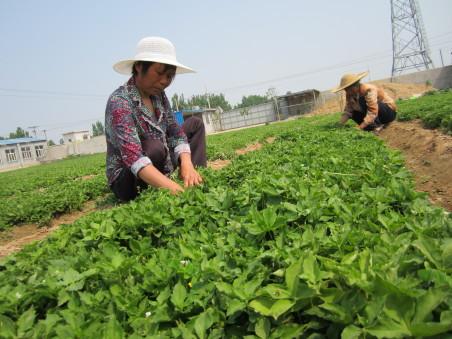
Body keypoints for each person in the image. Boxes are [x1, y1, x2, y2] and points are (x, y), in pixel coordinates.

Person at [105, 37, 207, 201]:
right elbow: (134, 158)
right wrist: (176, 190)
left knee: (195, 125)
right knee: (154, 146)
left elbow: (176, 133)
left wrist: (187, 164)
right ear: (139, 67)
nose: (164, 81)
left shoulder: (159, 96)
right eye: (160, 73)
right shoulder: (120, 102)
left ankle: (193, 178)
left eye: (169, 76)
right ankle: (171, 187)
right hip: (127, 178)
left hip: (161, 160)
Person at [331, 72, 397, 132]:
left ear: (355, 86)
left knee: (362, 101)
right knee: (353, 112)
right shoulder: (350, 95)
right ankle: (371, 127)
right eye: (345, 89)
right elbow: (348, 110)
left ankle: (378, 125)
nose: (347, 92)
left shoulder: (368, 90)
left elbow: (373, 110)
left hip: (388, 112)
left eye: (348, 89)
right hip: (375, 115)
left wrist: (360, 127)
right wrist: (339, 124)